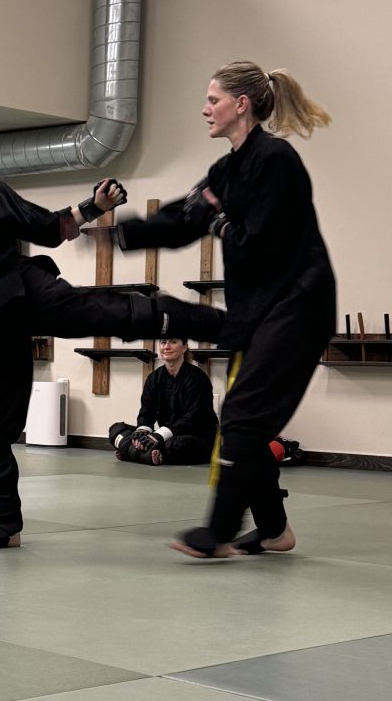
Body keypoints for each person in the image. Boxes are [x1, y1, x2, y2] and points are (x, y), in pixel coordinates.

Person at [0, 99, 227, 551]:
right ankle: (4, 524)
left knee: (99, 312)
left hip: (25, 291)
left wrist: (94, 205)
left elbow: (53, 229)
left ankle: (206, 321)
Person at [111, 60, 336, 558]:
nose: (204, 108)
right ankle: (274, 531)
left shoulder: (275, 160)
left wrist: (220, 225)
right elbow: (187, 216)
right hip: (258, 312)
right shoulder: (227, 170)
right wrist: (123, 232)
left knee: (240, 416)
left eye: (213, 99)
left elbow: (260, 243)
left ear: (242, 105)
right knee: (244, 421)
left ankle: (217, 533)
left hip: (298, 306)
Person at [109, 338, 218, 465]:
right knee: (116, 429)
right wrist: (142, 433)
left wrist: (159, 435)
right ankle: (148, 454)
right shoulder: (154, 378)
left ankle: (131, 452)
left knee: (177, 445)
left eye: (173, 342)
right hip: (164, 436)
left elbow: (192, 418)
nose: (167, 346)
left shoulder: (198, 378)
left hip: (196, 437)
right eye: (163, 342)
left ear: (184, 347)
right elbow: (147, 412)